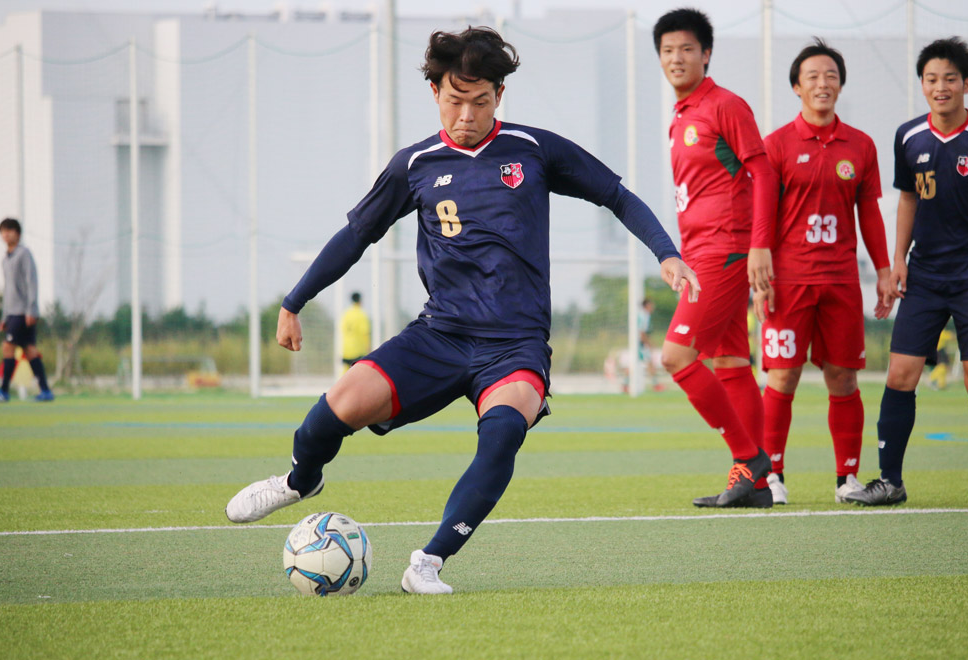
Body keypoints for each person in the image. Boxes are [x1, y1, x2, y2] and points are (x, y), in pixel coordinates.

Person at [225, 27, 699, 593]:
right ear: (435, 93)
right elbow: (356, 235)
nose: (467, 115)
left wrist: (667, 253)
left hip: (516, 345)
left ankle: (427, 562)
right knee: (334, 410)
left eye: (480, 101)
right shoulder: (415, 164)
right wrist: (294, 302)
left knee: (503, 433)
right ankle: (301, 481)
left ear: (499, 95)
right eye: (455, 100)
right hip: (440, 334)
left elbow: (615, 194)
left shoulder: (533, 149)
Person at [754, 39, 892, 505]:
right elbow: (762, 215)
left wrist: (884, 270)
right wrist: (760, 275)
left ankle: (846, 479)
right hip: (788, 281)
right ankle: (772, 475)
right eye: (812, 76)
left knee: (844, 379)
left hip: (841, 281)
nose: (822, 83)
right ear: (796, 86)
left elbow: (869, 214)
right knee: (782, 377)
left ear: (841, 85)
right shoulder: (776, 145)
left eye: (831, 75)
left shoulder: (861, 145)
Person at [653, 8, 779, 508]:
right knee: (730, 363)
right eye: (667, 50)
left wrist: (760, 245)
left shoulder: (725, 105)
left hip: (725, 249)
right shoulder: (680, 115)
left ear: (706, 54)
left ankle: (750, 458)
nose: (676, 58)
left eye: (686, 49)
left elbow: (763, 173)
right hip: (700, 250)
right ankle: (756, 486)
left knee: (675, 356)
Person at [845, 37, 968, 506]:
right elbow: (908, 198)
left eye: (950, 79)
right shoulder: (908, 136)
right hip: (925, 275)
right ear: (922, 84)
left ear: (966, 84)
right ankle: (890, 482)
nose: (941, 87)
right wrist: (898, 259)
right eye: (932, 79)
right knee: (900, 374)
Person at [0, 218, 54, 403]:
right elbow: (8, 290)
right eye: (3, 231)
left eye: (10, 230)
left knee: (8, 347)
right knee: (30, 350)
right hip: (12, 312)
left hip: (22, 312)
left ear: (18, 233)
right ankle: (46, 391)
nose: (6, 234)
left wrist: (31, 309)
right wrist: (4, 316)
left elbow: (32, 282)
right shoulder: (6, 259)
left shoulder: (24, 254)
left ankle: (3, 391)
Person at [340, 291, 371, 372]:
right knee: (359, 373)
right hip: (358, 350)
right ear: (360, 300)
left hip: (346, 350)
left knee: (346, 373)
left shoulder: (346, 314)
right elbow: (365, 333)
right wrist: (368, 348)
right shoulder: (361, 314)